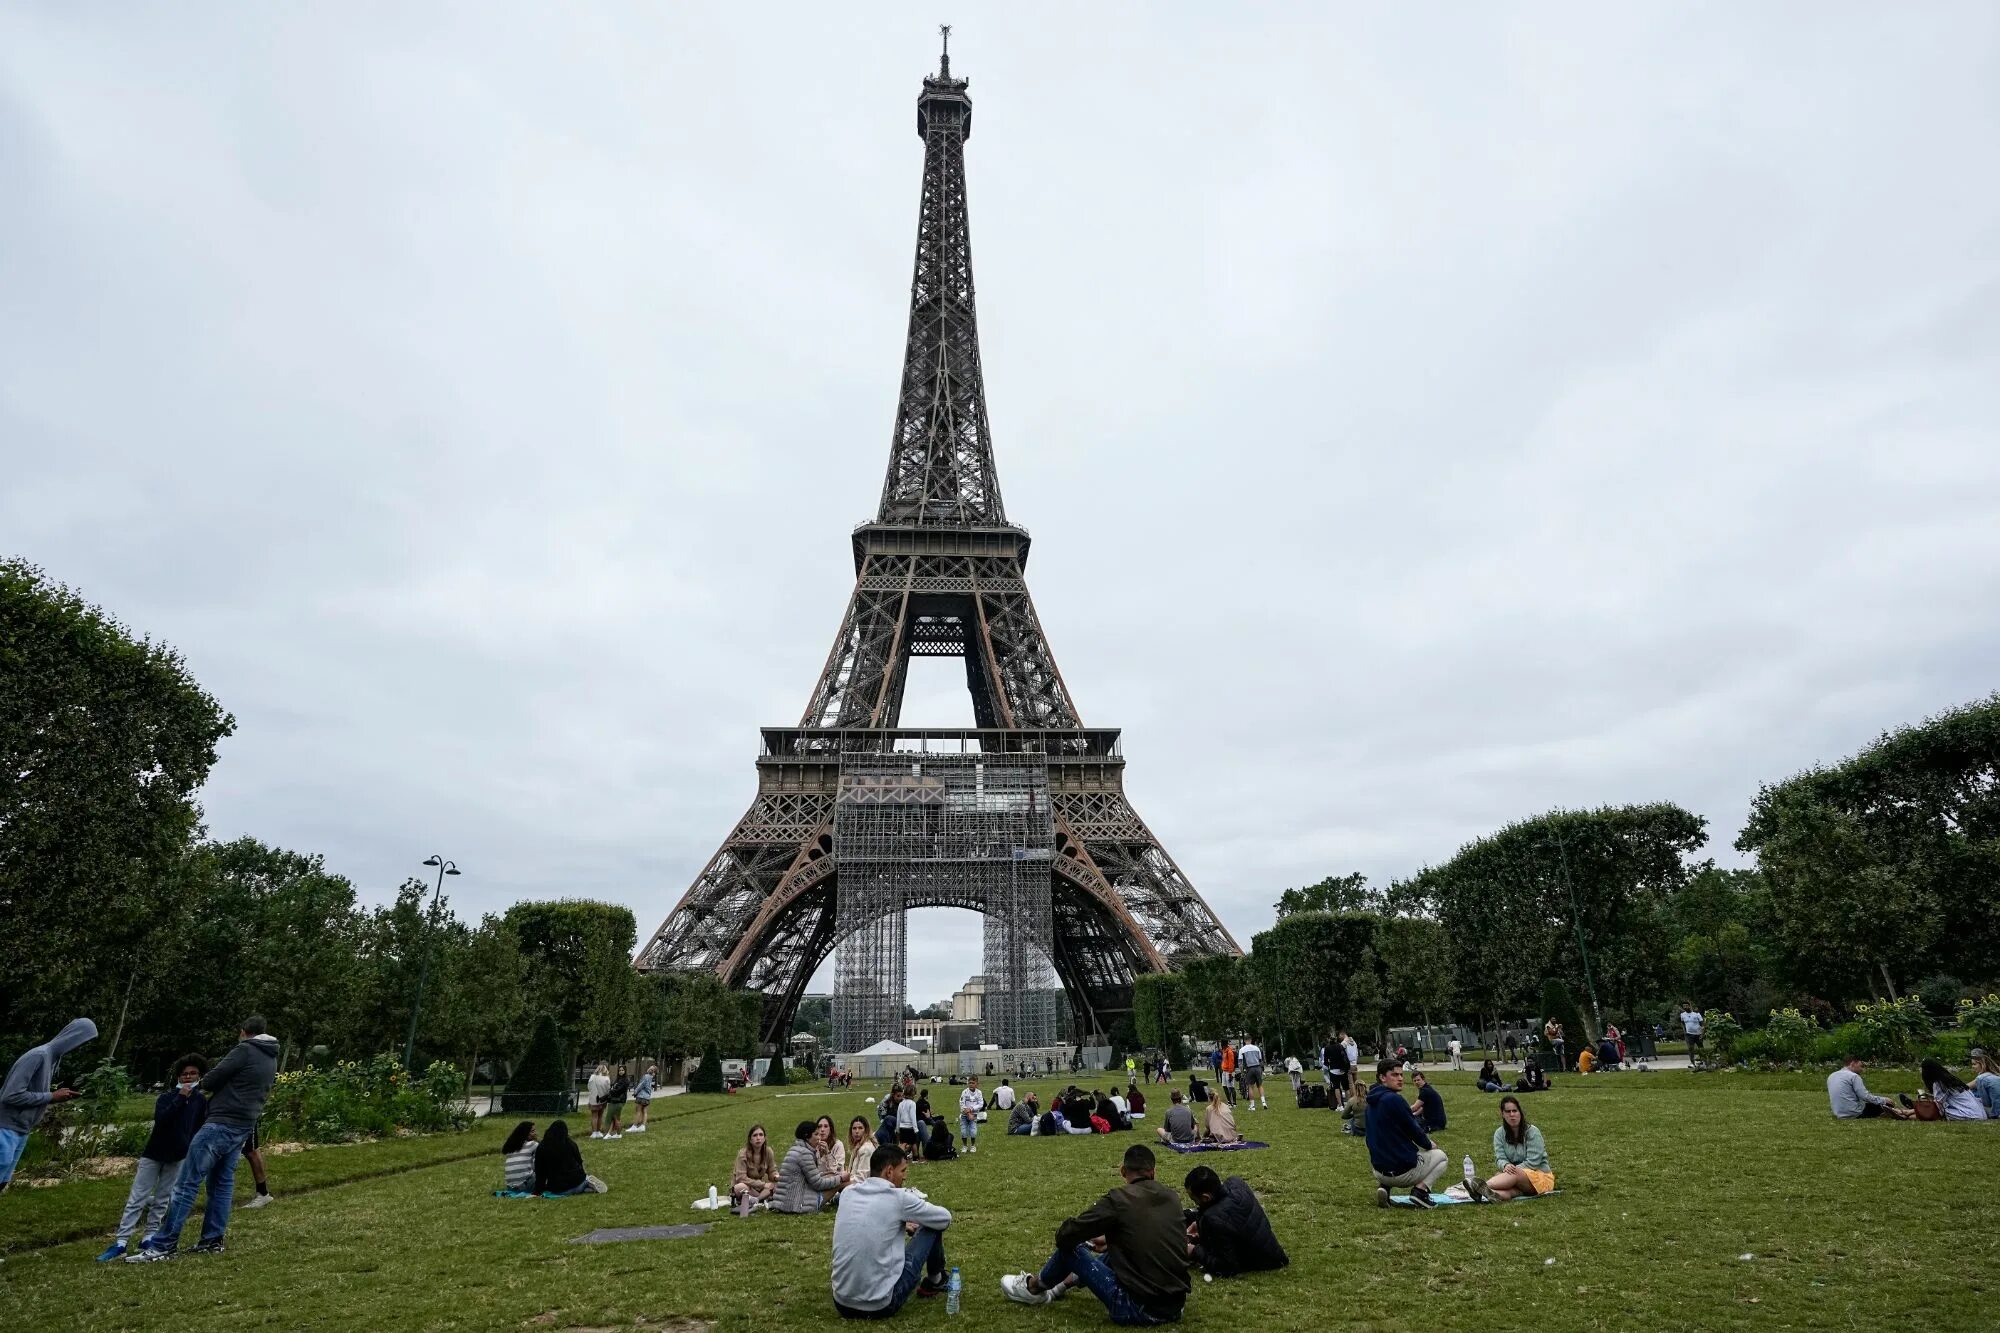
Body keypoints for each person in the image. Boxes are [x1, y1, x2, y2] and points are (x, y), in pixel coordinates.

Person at [129, 1015, 279, 1260]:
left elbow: (210, 1080)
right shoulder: (271, 1056)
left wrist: (193, 1088)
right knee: (221, 1184)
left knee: (186, 1183)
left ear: (243, 1032)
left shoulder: (245, 1050)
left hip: (219, 1124)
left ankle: (163, 1245)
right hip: (243, 1125)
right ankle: (212, 1240)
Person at [1000, 1144, 1191, 1322]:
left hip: (1137, 1308)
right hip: (1176, 1306)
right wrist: (1112, 1239)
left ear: (1123, 1171)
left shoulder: (1119, 1199)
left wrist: (1098, 1235)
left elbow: (1066, 1236)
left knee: (1073, 1249)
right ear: (1154, 1172)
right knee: (1116, 1250)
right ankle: (1059, 1286)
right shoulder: (1172, 1197)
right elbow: (1149, 1237)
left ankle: (1034, 1288)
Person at [98, 1054, 209, 1260]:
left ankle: (149, 1235)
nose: (188, 1077)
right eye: (184, 1074)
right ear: (178, 1077)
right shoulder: (167, 1098)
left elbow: (198, 1127)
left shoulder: (201, 1101)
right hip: (154, 1153)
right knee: (137, 1197)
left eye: (193, 1073)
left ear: (200, 1076)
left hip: (178, 1156)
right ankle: (121, 1241)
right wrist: (180, 1098)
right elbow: (162, 1119)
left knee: (162, 1199)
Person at [831, 1145, 952, 1317]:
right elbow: (944, 1218)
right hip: (881, 1305)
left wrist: (901, 1223)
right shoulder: (899, 1199)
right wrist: (909, 1219)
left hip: (842, 1302)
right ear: (889, 1171)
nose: (905, 1176)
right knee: (931, 1226)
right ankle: (935, 1280)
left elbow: (872, 1218)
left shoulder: (848, 1193)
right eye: (903, 1170)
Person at [0, 1017, 96, 1190]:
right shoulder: (38, 1056)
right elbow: (10, 1096)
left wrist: (55, 1097)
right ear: (72, 1036)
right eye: (81, 1041)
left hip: (21, 1129)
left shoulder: (51, 1060)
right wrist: (51, 1096)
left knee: (3, 1182)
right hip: (6, 1127)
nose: (80, 1047)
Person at [1367, 1059, 1446, 1208]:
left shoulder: (1371, 1102)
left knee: (1387, 1144)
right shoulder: (1394, 1099)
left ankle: (1384, 1187)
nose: (1400, 1078)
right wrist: (1430, 1145)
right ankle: (1420, 1193)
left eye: (1401, 1075)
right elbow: (1414, 1131)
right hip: (1401, 1172)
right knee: (1441, 1157)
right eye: (1394, 1075)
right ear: (1382, 1077)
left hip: (1378, 1170)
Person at [1182, 1165, 1287, 1278]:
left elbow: (1227, 1267)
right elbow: (1231, 1220)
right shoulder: (1236, 1184)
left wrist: (1194, 1251)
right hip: (1271, 1252)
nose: (1195, 1203)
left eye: (1194, 1199)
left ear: (1206, 1197)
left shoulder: (1212, 1218)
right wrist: (1200, 1225)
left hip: (1262, 1262)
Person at [1468, 1094, 1555, 1202]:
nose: (1512, 1114)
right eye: (1508, 1112)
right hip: (1517, 1179)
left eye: (1515, 1111)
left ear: (1520, 1112)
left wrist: (1511, 1171)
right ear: (1502, 1114)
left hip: (1540, 1177)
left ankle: (1479, 1186)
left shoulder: (1532, 1132)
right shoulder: (1499, 1133)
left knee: (1510, 1174)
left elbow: (1533, 1162)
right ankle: (1488, 1193)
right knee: (1509, 1189)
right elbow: (1500, 1158)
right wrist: (1505, 1165)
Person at [775, 1120, 849, 1212]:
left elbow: (816, 1176)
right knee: (842, 1181)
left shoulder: (796, 1149)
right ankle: (851, 1200)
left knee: (833, 1175)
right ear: (807, 1136)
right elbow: (818, 1184)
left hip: (785, 1202)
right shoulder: (804, 1154)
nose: (819, 1137)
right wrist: (840, 1178)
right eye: (816, 1134)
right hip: (796, 1205)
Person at [1827, 1055, 1914, 1120]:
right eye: (1861, 1066)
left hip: (1839, 1113)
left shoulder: (1831, 1076)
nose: (1862, 1070)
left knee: (1877, 1105)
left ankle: (1901, 1111)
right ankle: (1903, 1112)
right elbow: (1865, 1096)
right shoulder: (1853, 1076)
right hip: (1854, 1113)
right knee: (1885, 1105)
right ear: (1853, 1063)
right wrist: (1884, 1100)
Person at [531, 1119, 591, 1195]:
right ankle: (586, 1186)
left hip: (559, 1189)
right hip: (578, 1183)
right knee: (585, 1180)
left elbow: (540, 1173)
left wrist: (537, 1191)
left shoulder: (542, 1147)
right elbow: (579, 1162)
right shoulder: (571, 1144)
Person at [732, 1123, 779, 1213]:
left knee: (777, 1186)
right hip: (746, 1186)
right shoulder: (743, 1154)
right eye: (755, 1135)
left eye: (761, 1135)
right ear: (750, 1139)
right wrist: (763, 1185)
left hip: (758, 1190)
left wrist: (776, 1176)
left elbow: (772, 1171)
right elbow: (741, 1178)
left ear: (765, 1138)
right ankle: (761, 1199)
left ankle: (756, 1200)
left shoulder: (768, 1151)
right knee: (740, 1187)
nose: (758, 1138)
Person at [1919, 1059, 1987, 1121]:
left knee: (1933, 1114)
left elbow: (1937, 1106)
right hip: (1980, 1114)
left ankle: (1908, 1113)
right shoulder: (1950, 1080)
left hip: (1970, 1114)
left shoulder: (1939, 1084)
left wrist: (1913, 1110)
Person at [501, 1120, 539, 1192]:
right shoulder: (533, 1145)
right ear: (525, 1134)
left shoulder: (511, 1148)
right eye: (532, 1131)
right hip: (525, 1186)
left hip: (510, 1188)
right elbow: (537, 1167)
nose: (536, 1133)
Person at [1970, 1049, 2000, 1119]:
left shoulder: (1982, 1078)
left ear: (1983, 1063)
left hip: (1995, 1111)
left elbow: (1966, 1086)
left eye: (1974, 1064)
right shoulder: (1994, 1071)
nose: (1972, 1066)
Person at [1239, 1038, 1266, 1110]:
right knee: (1260, 1085)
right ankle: (1264, 1103)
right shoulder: (1256, 1048)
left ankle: (1252, 1105)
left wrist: (1242, 1072)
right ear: (1251, 1040)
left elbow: (1240, 1063)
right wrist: (1262, 1070)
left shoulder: (1242, 1050)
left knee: (1250, 1087)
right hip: (1257, 1067)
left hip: (1249, 1069)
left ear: (1244, 1041)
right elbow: (1261, 1060)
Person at [959, 1076, 984, 1154]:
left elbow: (980, 1104)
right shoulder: (964, 1092)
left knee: (973, 1132)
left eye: (973, 1083)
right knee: (963, 1131)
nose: (971, 1084)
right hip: (964, 1115)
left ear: (977, 1084)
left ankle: (973, 1146)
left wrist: (971, 1109)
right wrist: (968, 1112)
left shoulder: (979, 1093)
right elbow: (962, 1103)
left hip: (974, 1115)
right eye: (969, 1083)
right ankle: (965, 1146)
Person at [602, 1065, 629, 1139]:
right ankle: (614, 1133)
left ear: (625, 1071)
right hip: (614, 1100)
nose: (621, 1071)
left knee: (615, 1118)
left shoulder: (625, 1081)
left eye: (622, 1070)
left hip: (619, 1101)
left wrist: (611, 1091)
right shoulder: (618, 1079)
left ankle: (612, 1134)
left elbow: (618, 1091)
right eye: (620, 1070)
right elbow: (613, 1088)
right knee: (614, 1118)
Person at [848, 1116, 877, 1181]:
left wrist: (842, 1183)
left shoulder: (866, 1149)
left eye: (860, 1128)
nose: (857, 1131)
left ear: (866, 1130)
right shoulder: (858, 1146)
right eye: (854, 1128)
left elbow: (862, 1178)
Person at [895, 1084, 922, 1152]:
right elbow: (913, 1117)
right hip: (910, 1127)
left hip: (902, 1128)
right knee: (913, 1143)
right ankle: (915, 1158)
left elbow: (898, 1117)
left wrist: (897, 1129)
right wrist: (916, 1129)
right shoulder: (912, 1103)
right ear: (913, 1094)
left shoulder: (901, 1104)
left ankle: (900, 1156)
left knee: (903, 1144)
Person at [587, 1063, 611, 1138]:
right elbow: (608, 1089)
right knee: (600, 1116)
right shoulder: (607, 1078)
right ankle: (598, 1131)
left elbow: (589, 1087)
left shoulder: (592, 1077)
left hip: (593, 1099)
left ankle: (594, 1132)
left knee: (594, 1116)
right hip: (603, 1099)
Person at [631, 1064, 657, 1132]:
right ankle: (643, 1126)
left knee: (638, 1111)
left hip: (641, 1096)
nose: (649, 1069)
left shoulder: (646, 1076)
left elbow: (641, 1085)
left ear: (651, 1071)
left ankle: (634, 1126)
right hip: (647, 1097)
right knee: (645, 1112)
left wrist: (635, 1092)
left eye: (651, 1069)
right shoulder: (651, 1077)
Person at [1220, 1041, 1237, 1106]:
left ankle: (1234, 1103)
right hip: (1224, 1071)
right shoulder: (1224, 1051)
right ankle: (1229, 1101)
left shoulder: (1229, 1052)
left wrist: (1230, 1074)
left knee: (1231, 1087)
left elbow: (1231, 1063)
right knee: (1224, 1086)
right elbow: (1224, 1061)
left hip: (1229, 1071)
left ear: (1225, 1045)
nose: (1221, 1047)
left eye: (1222, 1045)